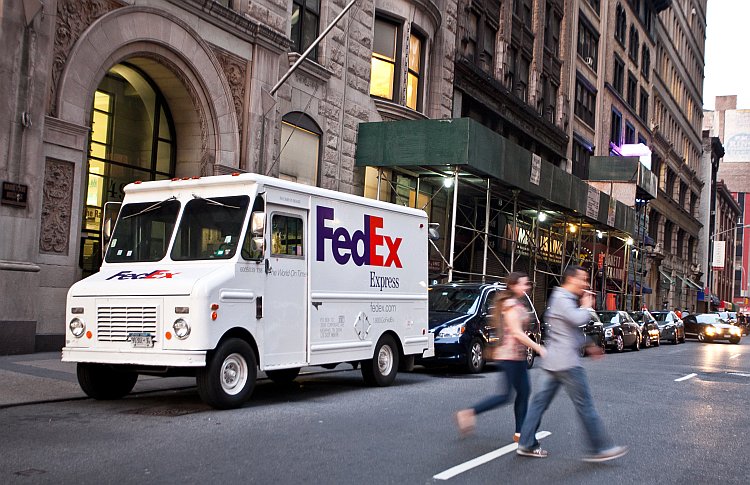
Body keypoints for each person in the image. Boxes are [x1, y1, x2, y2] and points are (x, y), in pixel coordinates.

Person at [517, 266, 628, 462]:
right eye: (583, 279)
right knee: (585, 406)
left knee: (538, 404)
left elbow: (570, 331)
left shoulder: (562, 299)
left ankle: (526, 443)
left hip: (554, 362)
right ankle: (600, 448)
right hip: (567, 363)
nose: (585, 284)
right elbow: (577, 319)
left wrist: (589, 345)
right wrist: (586, 306)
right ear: (570, 279)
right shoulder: (562, 298)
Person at [454, 272, 546, 442]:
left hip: (517, 356)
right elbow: (517, 332)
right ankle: (468, 413)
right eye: (523, 284)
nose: (527, 287)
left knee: (524, 392)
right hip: (509, 356)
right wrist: (538, 347)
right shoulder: (510, 305)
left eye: (527, 284)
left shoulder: (517, 303)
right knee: (505, 395)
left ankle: (520, 432)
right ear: (513, 285)